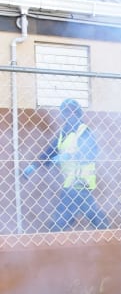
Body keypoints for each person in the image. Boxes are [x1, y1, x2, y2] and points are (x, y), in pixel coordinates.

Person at [22, 98, 109, 231]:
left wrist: (68, 156)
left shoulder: (84, 131)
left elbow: (91, 154)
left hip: (81, 181)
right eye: (65, 112)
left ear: (78, 114)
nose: (68, 116)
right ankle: (109, 234)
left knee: (62, 217)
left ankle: (52, 240)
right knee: (90, 212)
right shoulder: (63, 133)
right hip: (71, 182)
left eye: (71, 112)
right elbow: (49, 152)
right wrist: (34, 165)